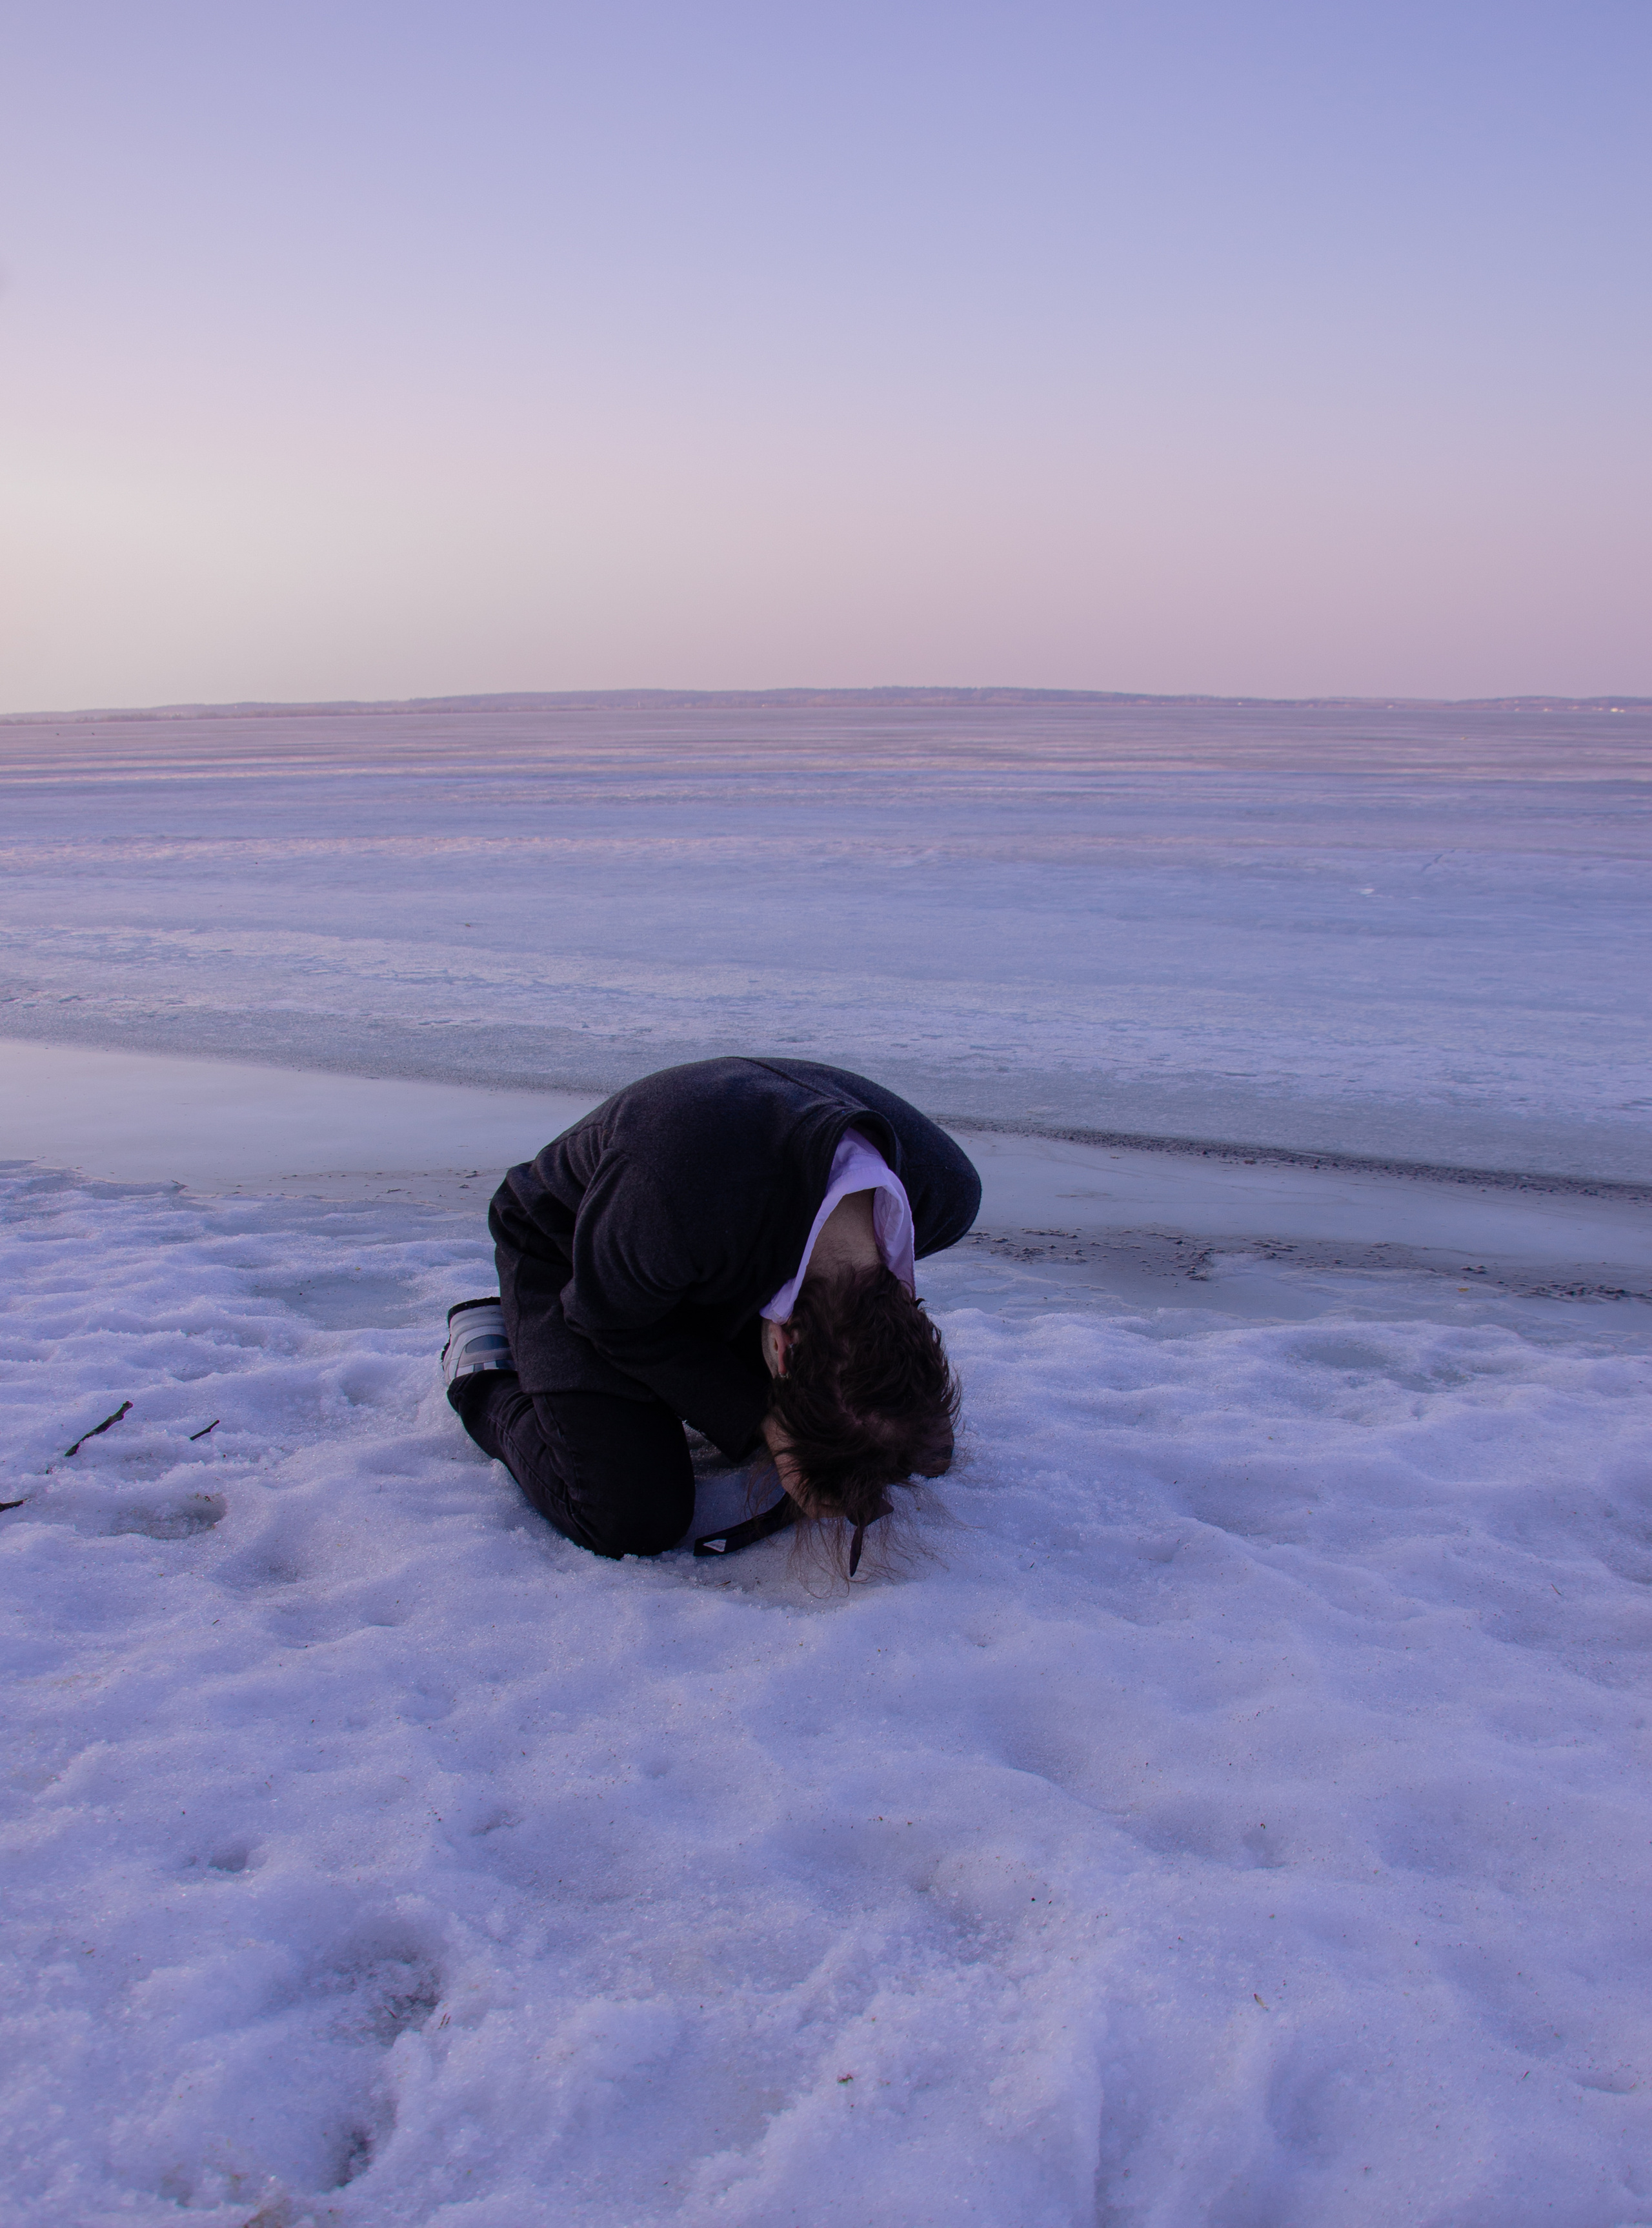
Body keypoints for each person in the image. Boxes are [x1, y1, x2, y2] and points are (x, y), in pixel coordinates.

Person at [441, 1057, 981, 1570]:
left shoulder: (944, 1195)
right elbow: (609, 1318)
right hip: (572, 1254)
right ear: (785, 1345)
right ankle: (486, 1365)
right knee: (629, 1514)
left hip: (701, 1251)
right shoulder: (673, 1198)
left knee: (904, 1444)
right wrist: (759, 1417)